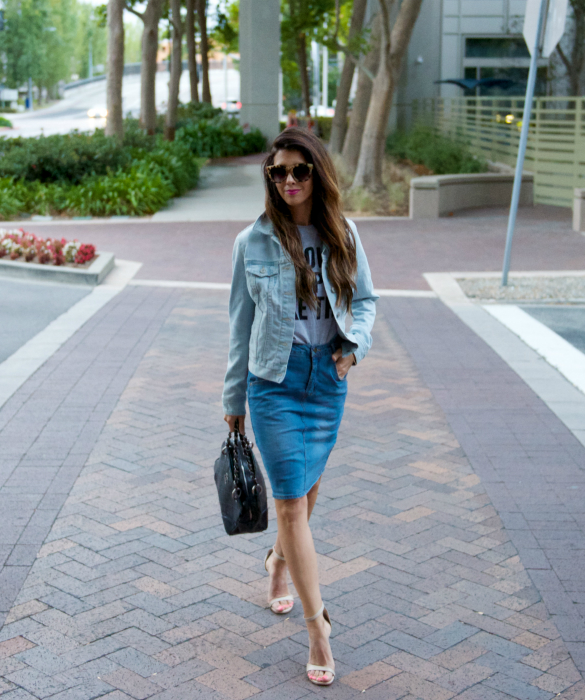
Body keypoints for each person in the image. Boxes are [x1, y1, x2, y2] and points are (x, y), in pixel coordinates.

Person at [222, 127, 378, 687]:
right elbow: (239, 327)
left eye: (299, 171)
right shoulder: (253, 241)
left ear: (317, 174)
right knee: (290, 502)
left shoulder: (344, 233)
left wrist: (353, 350)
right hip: (274, 382)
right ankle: (319, 630)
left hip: (326, 381)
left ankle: (278, 564)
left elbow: (365, 302)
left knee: (307, 495)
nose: (289, 180)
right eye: (278, 172)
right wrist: (232, 400)